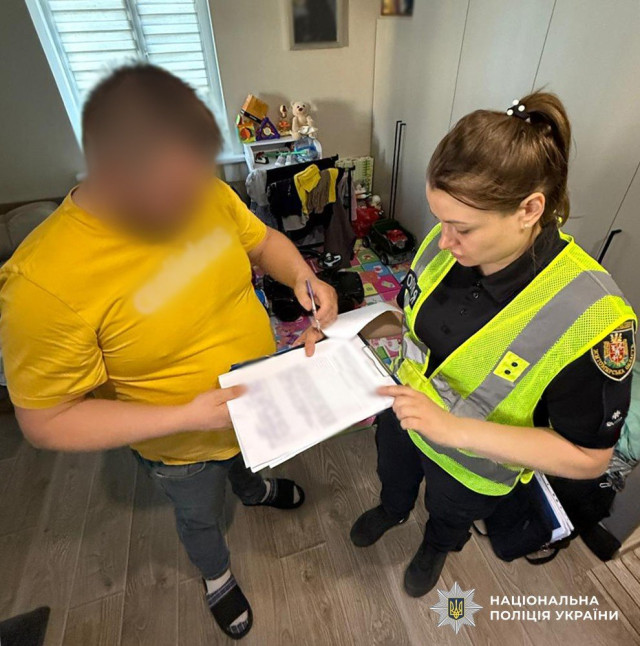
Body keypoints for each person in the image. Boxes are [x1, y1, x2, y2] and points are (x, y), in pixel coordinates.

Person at [0, 64, 337, 640]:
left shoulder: (203, 191)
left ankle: (254, 489)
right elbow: (46, 420)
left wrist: (305, 278)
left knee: (248, 460)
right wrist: (187, 416)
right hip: (180, 445)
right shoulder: (42, 282)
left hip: (255, 399)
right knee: (198, 513)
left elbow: (262, 242)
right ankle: (216, 575)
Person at [303, 91, 636, 597]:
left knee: (449, 515)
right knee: (394, 477)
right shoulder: (448, 248)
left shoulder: (594, 317)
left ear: (529, 209)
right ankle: (393, 510)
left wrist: (452, 430)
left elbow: (589, 458)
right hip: (403, 416)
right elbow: (411, 321)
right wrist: (346, 329)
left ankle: (436, 546)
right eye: (441, 221)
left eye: (461, 228)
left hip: (474, 467)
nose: (443, 241)